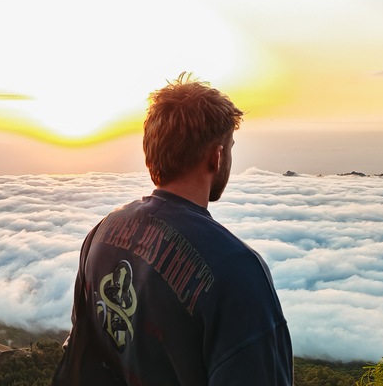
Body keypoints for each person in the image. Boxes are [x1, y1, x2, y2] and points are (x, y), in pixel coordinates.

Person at [54, 73, 293, 386]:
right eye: (229, 147)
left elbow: (84, 355)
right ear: (216, 156)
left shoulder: (100, 233)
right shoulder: (237, 272)